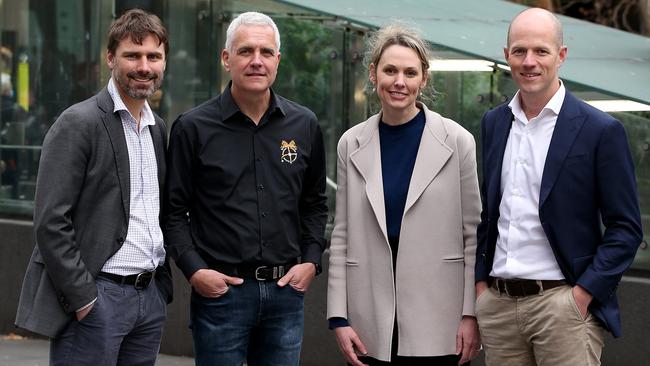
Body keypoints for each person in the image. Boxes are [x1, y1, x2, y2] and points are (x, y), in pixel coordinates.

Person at [475, 7, 642, 366]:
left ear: (561, 55)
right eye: (519, 51)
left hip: (563, 306)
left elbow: (626, 228)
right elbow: (489, 214)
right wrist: (481, 288)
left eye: (541, 51)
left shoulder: (600, 130)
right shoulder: (494, 123)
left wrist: (582, 295)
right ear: (506, 56)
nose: (529, 61)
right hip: (499, 307)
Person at [163, 11, 328, 366]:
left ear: (278, 61)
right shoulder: (193, 128)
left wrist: (312, 262)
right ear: (226, 59)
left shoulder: (304, 124)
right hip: (222, 294)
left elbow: (314, 204)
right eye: (246, 51)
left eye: (266, 52)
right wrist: (196, 271)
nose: (257, 61)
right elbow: (174, 213)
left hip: (286, 293)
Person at [15, 9, 172, 365]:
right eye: (132, 55)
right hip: (99, 296)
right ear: (110, 58)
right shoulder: (78, 122)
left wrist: (159, 291)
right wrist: (84, 298)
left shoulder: (157, 127)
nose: (144, 66)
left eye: (153, 56)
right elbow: (51, 221)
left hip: (148, 299)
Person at [327, 25, 482, 366]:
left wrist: (471, 315)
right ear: (373, 73)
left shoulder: (457, 142)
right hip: (371, 314)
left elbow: (473, 236)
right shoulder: (351, 143)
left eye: (410, 72)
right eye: (390, 70)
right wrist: (339, 317)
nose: (400, 81)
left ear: (424, 79)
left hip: (441, 317)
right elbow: (342, 236)